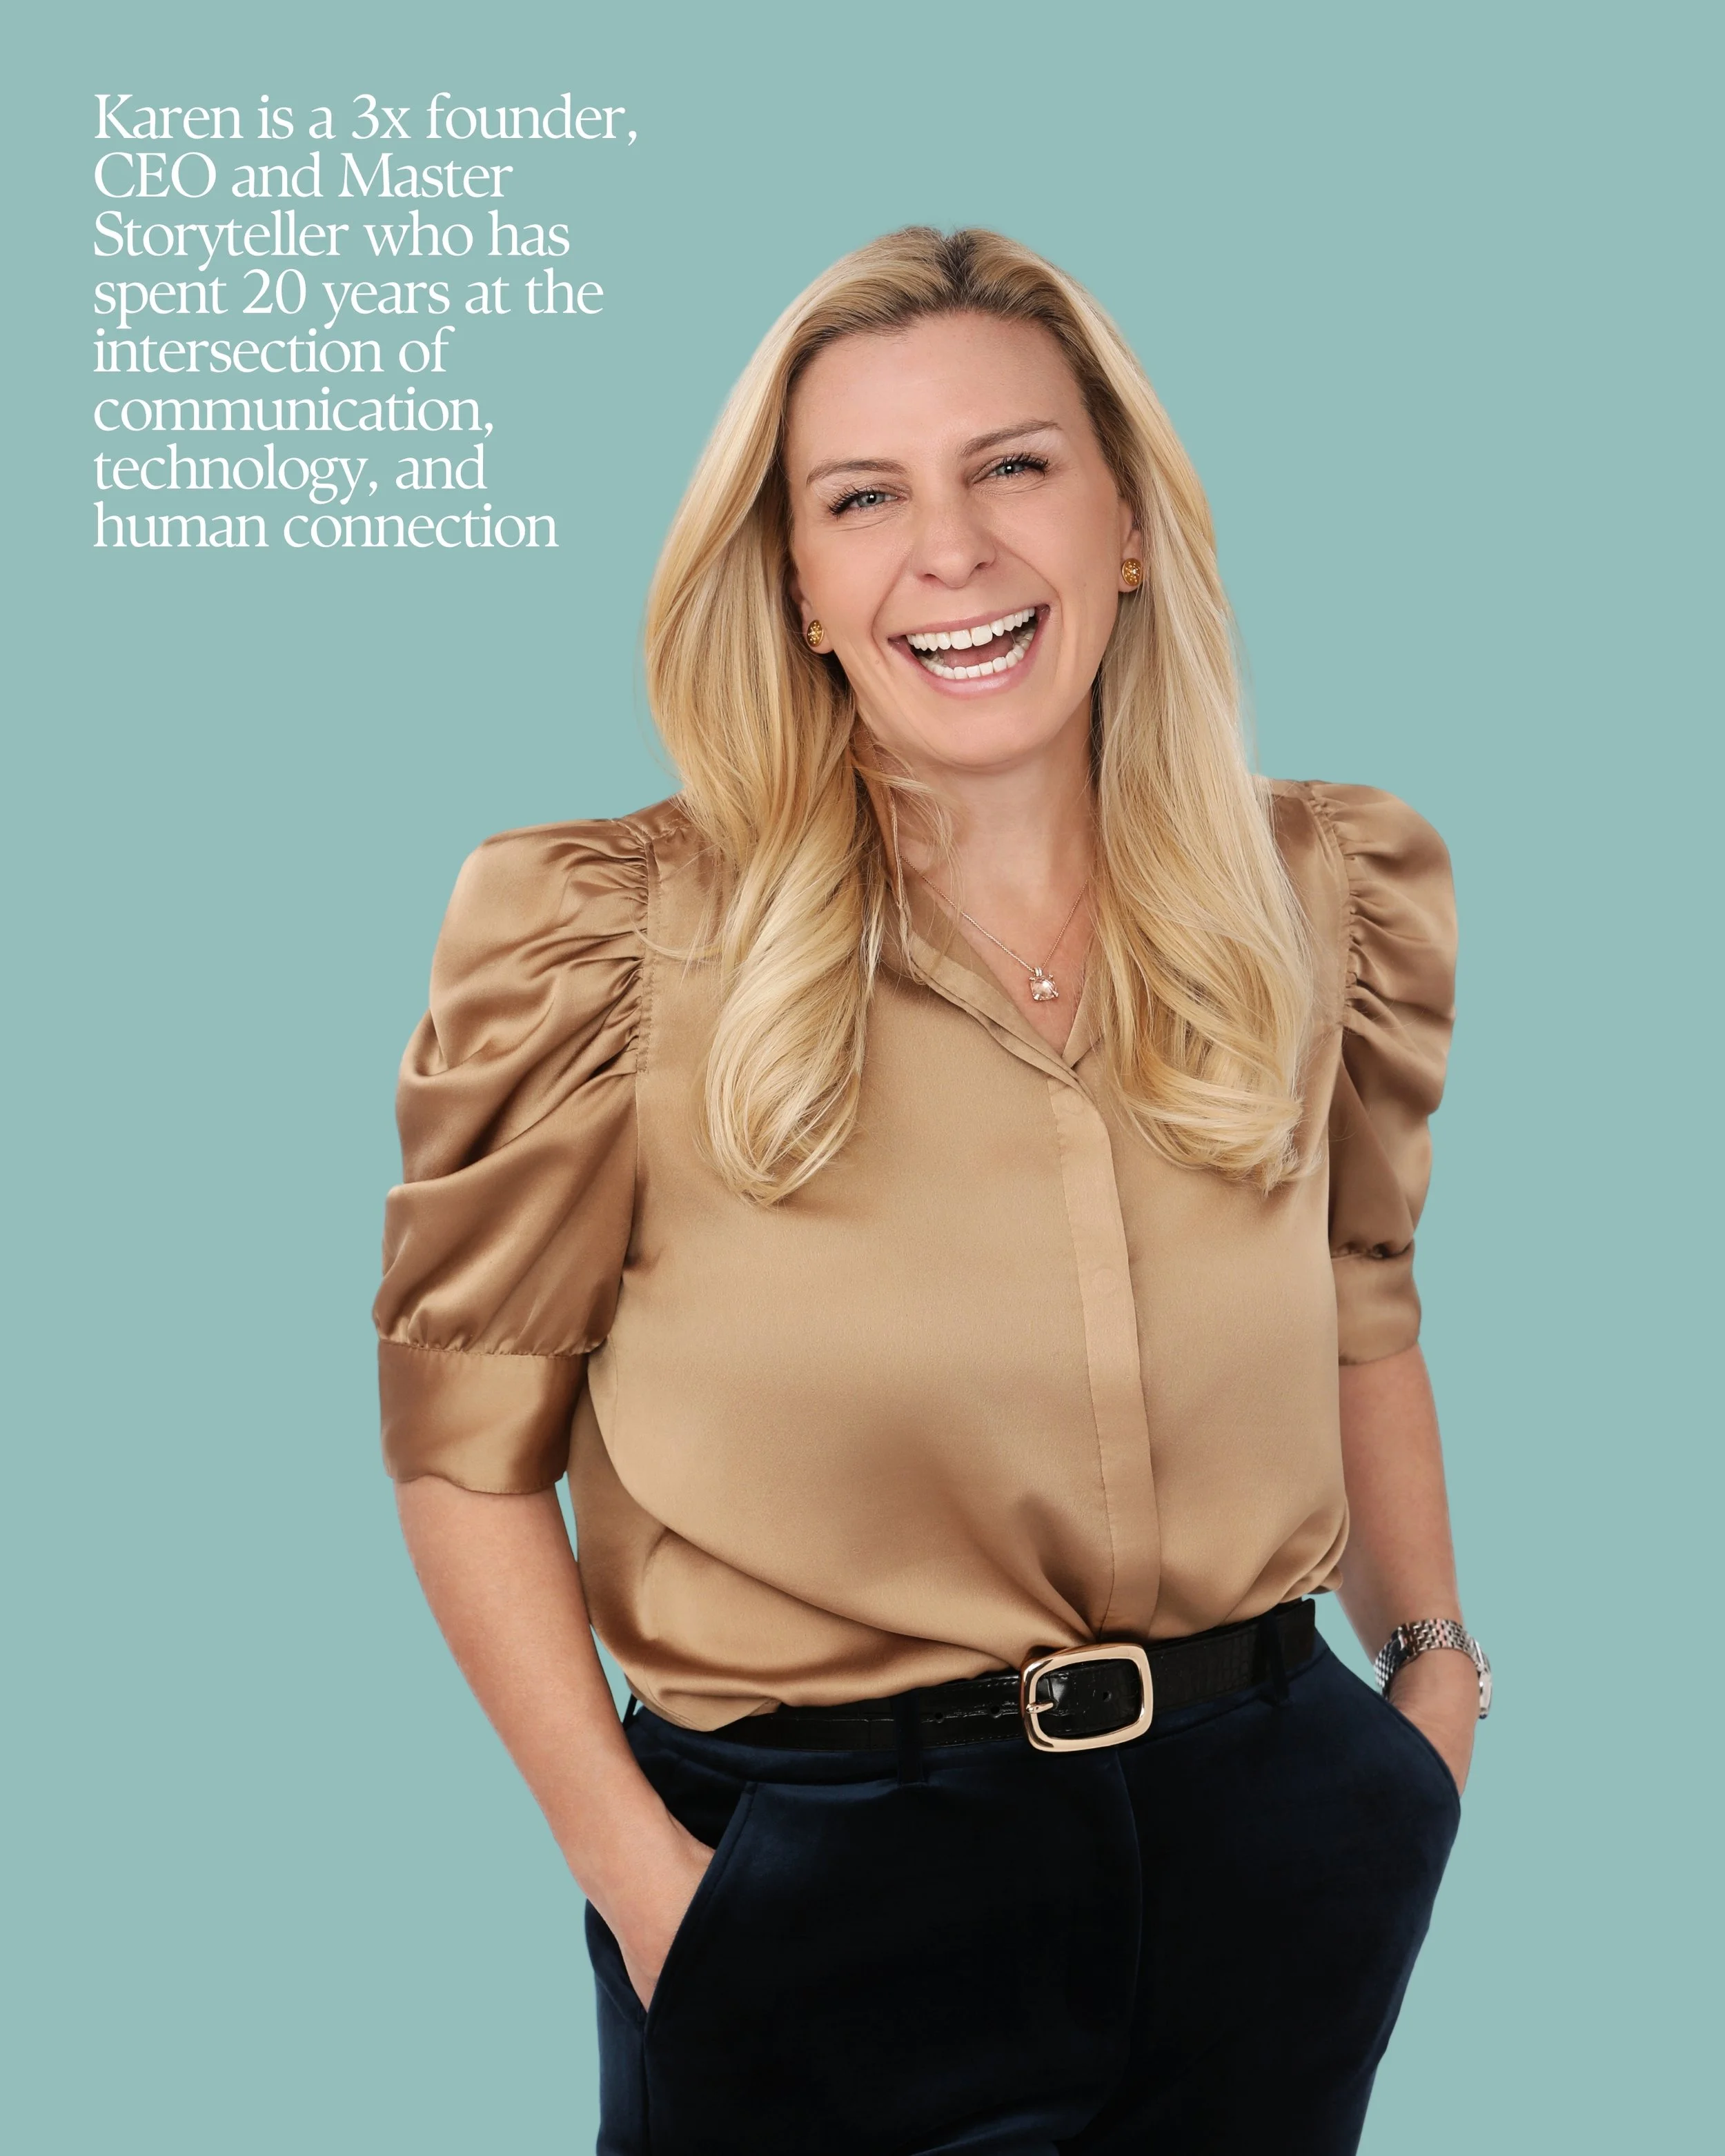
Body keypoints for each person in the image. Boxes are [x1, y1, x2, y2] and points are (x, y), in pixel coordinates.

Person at [373, 226, 1490, 2156]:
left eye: (1013, 466)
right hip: (819, 1885)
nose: (950, 550)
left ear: (1126, 525)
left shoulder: (1320, 895)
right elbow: (466, 1458)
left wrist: (1431, 1695)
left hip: (1275, 1857)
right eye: (863, 497)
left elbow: (1363, 1297)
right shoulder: (607, 940)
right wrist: (655, 1890)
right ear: (796, 584)